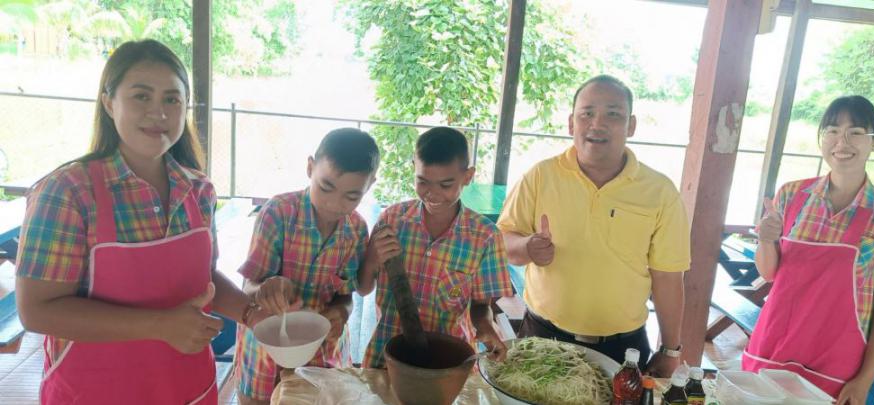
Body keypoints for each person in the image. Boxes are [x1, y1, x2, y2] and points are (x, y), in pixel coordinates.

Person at [15, 39, 263, 404]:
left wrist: (253, 314)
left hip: (189, 389)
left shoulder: (198, 190)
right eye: (141, 96)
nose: (158, 113)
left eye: (172, 99)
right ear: (108, 103)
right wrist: (161, 326)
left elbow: (204, 277)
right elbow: (37, 310)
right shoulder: (67, 192)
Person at [497, 75, 690, 377]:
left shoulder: (659, 191)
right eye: (586, 113)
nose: (597, 124)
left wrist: (670, 350)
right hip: (543, 337)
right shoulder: (540, 176)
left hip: (623, 350)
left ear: (631, 125)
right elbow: (503, 243)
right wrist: (527, 247)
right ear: (571, 123)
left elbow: (668, 277)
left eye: (613, 114)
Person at [743, 95, 874, 403]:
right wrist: (766, 239)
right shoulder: (792, 195)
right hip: (772, 345)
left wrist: (865, 380)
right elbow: (769, 272)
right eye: (832, 131)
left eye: (855, 132)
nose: (842, 141)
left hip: (837, 364)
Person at [234, 128, 379, 404]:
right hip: (266, 347)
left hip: (323, 352)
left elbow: (346, 297)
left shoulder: (356, 230)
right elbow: (248, 286)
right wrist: (265, 289)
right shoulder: (278, 213)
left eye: (351, 196)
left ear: (370, 184)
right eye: (325, 187)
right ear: (310, 167)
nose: (334, 204)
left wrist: (341, 312)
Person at [359, 126, 514, 368]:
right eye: (422, 181)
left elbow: (481, 306)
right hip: (386, 356)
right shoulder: (391, 220)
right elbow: (363, 288)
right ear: (414, 168)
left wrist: (486, 328)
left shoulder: (485, 237)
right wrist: (370, 260)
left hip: (449, 364)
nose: (432, 194)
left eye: (445, 184)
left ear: (468, 176)